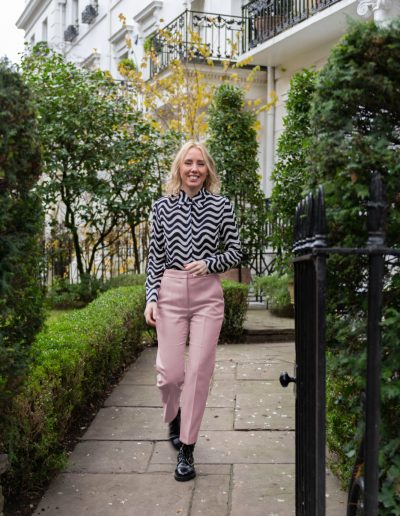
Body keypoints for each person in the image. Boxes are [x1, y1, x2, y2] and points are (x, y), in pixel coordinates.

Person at [144, 140, 242, 482]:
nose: (194, 169)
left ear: (208, 170)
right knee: (170, 376)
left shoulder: (221, 206)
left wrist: (210, 262)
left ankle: (187, 449)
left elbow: (235, 250)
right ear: (179, 168)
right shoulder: (161, 207)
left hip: (206, 296)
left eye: (200, 163)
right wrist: (151, 298)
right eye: (189, 163)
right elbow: (155, 257)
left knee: (199, 371)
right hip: (169, 291)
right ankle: (174, 414)